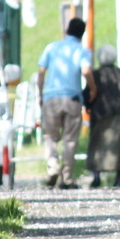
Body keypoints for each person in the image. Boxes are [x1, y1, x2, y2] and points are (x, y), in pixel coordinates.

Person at [37, 17, 96, 189]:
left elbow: (41, 73)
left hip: (51, 98)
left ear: (67, 30)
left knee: (50, 136)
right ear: (82, 34)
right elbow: (86, 71)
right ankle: (67, 178)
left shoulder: (51, 47)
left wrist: (40, 94)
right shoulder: (82, 51)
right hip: (72, 99)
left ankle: (52, 167)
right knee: (70, 140)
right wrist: (93, 89)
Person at [83, 44, 120, 188]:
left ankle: (96, 177)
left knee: (97, 145)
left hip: (99, 113)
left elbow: (86, 94)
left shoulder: (95, 75)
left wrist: (89, 106)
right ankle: (119, 179)